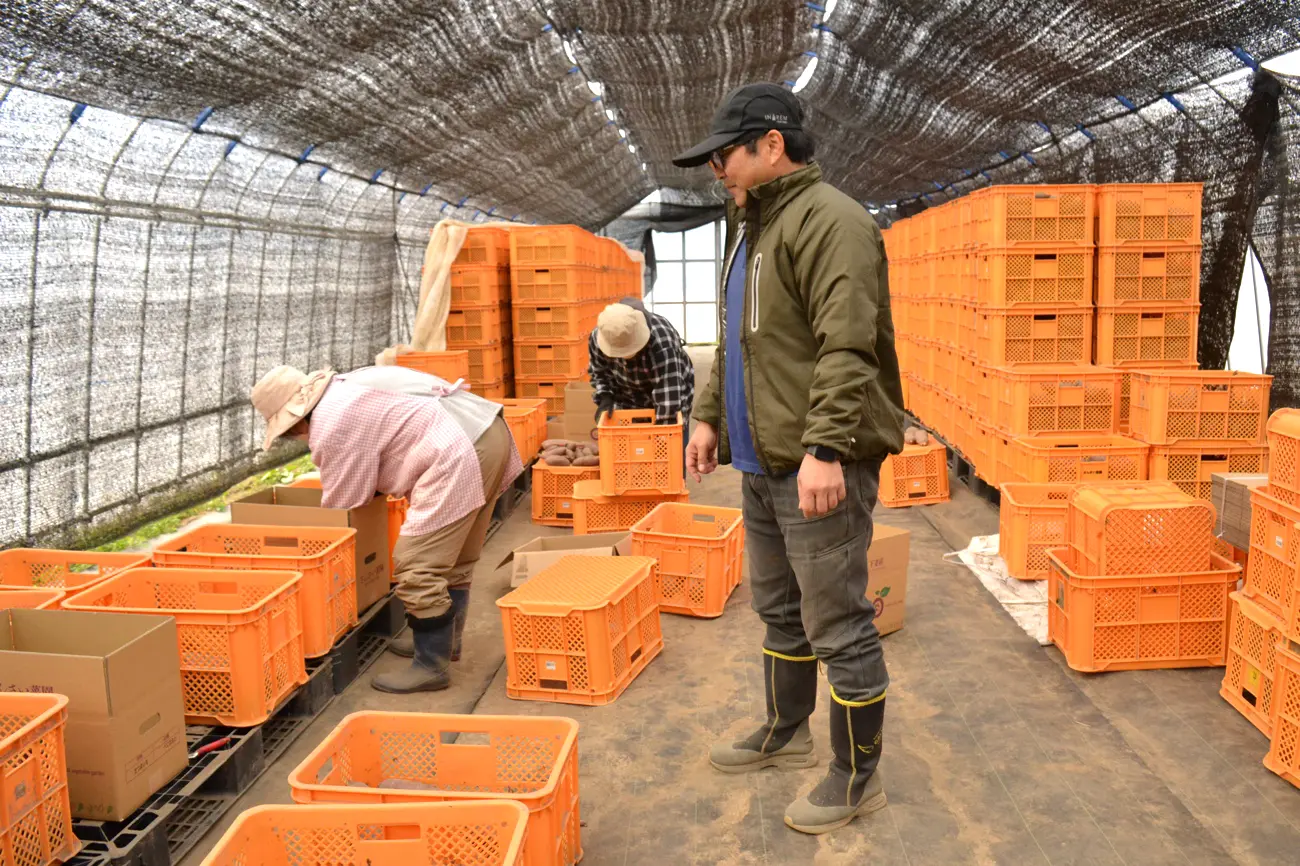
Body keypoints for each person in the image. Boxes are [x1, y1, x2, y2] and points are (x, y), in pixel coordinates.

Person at [673, 83, 906, 835]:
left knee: (838, 622)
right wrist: (709, 417)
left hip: (813, 463)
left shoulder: (831, 222)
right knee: (779, 611)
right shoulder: (752, 228)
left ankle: (854, 776)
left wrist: (826, 449)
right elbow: (741, 342)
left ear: (771, 145)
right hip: (761, 459)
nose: (719, 174)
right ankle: (784, 730)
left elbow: (848, 346)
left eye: (724, 158)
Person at [250, 363, 522, 694]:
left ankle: (430, 666)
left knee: (416, 565)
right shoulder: (347, 386)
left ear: (297, 418)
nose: (295, 437)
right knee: (453, 558)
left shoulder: (330, 423)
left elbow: (345, 504)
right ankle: (442, 644)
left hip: (458, 450)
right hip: (486, 431)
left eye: (290, 431)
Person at [587, 297, 694, 467]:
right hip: (627, 401)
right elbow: (599, 372)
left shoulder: (661, 342)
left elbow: (668, 403)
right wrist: (605, 397)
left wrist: (661, 449)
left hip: (667, 397)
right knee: (630, 462)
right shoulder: (601, 337)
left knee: (669, 461)